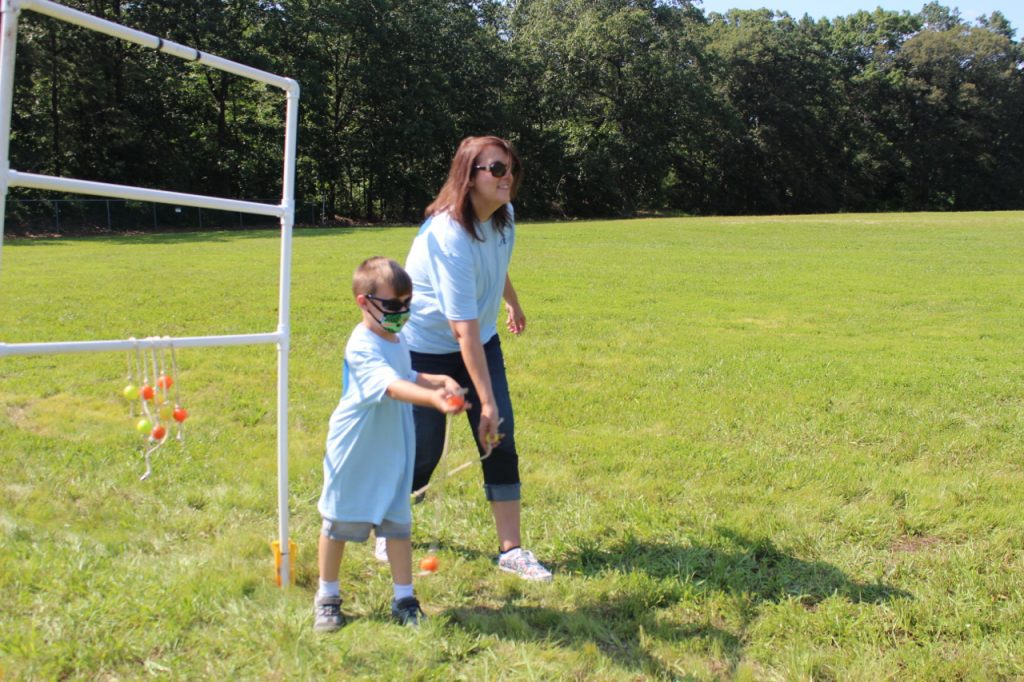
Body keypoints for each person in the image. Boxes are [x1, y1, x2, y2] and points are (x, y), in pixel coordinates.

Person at [392, 135, 553, 581]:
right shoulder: (447, 234)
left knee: (500, 437)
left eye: (511, 168)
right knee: (423, 449)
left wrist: (511, 301)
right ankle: (390, 524)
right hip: (426, 348)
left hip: (480, 340)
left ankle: (511, 551)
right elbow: (462, 328)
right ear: (469, 176)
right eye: (497, 169)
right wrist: (486, 402)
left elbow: (495, 264)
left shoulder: (504, 216)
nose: (508, 177)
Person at [313, 256, 467, 633]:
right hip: (356, 452)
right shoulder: (361, 345)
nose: (402, 312)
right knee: (338, 522)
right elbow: (392, 386)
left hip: (392, 451)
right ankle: (327, 597)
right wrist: (431, 399)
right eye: (394, 305)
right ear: (364, 302)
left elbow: (406, 374)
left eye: (408, 303)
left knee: (398, 526)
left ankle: (404, 599)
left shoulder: (396, 338)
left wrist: (436, 381)